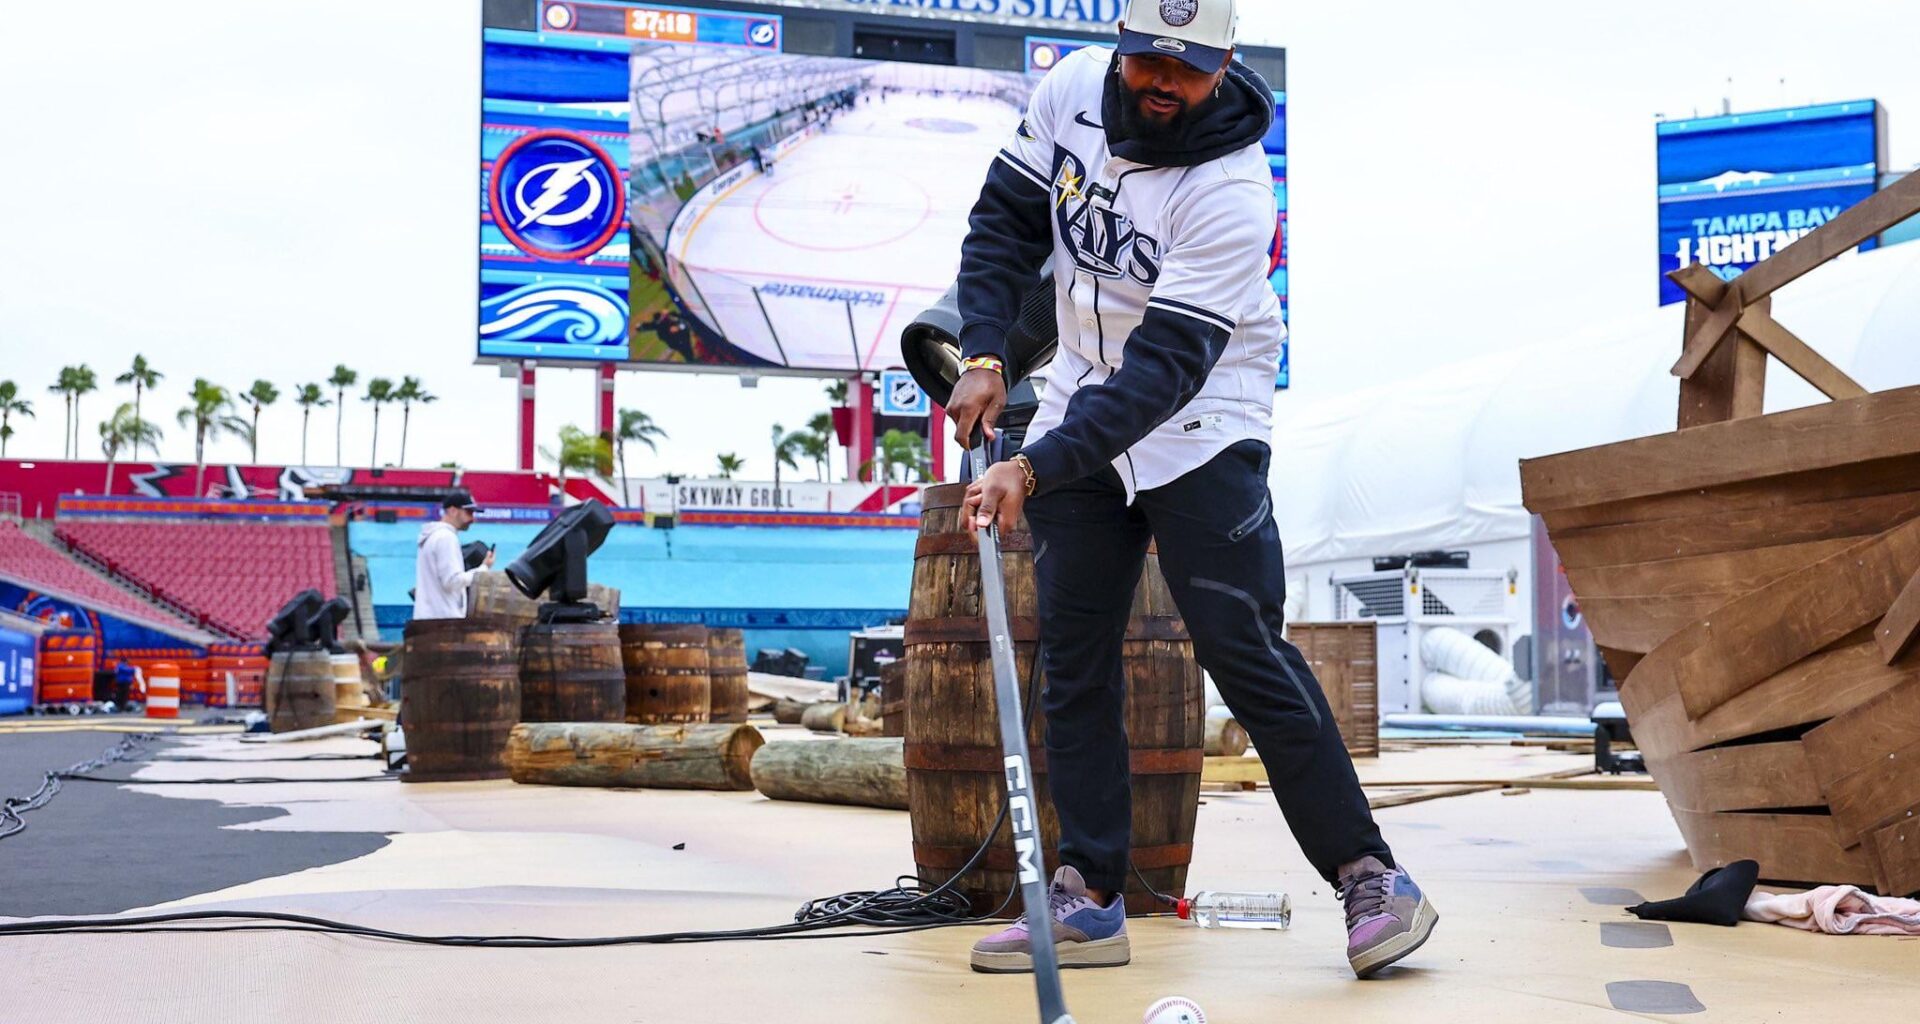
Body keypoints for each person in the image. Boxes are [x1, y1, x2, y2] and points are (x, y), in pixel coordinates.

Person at [949, 0, 1436, 981]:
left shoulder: (1233, 191)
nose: (1163, 84)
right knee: (1074, 651)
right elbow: (1003, 222)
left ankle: (1370, 874)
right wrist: (988, 351)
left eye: (1189, 69)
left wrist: (1033, 463)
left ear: (1224, 65)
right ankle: (1087, 893)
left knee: (1239, 644)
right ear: (1122, 50)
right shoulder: (1067, 93)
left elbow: (1166, 369)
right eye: (1148, 62)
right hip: (1086, 381)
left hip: (1206, 405)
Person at [414, 491, 493, 620]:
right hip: (443, 620)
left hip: (428, 617)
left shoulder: (431, 536)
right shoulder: (446, 537)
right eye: (469, 513)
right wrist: (483, 569)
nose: (473, 519)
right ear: (452, 511)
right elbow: (452, 581)